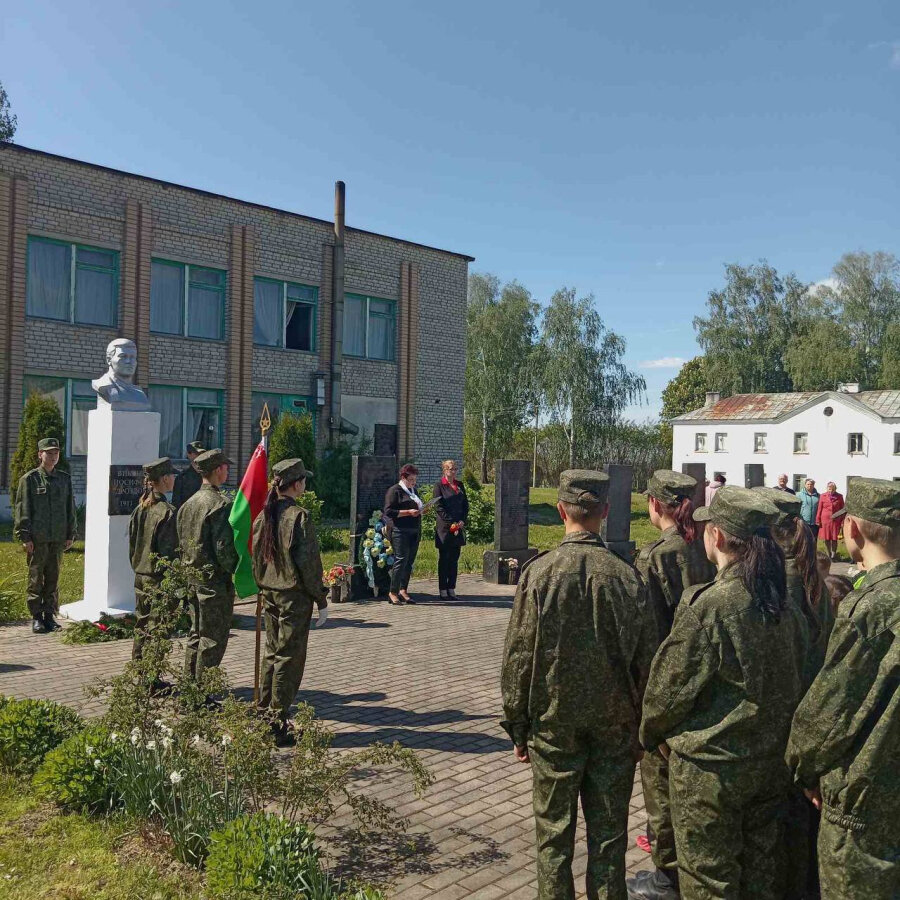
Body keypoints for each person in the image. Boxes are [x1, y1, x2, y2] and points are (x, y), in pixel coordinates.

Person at [639, 486, 810, 900]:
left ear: (716, 536)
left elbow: (666, 694)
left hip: (711, 777)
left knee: (710, 884)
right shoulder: (785, 603)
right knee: (759, 881)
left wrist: (653, 736)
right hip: (769, 768)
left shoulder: (712, 605)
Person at [501, 470, 657, 900]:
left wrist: (517, 725)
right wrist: (644, 727)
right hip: (615, 726)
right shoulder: (626, 577)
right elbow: (648, 663)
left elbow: (518, 657)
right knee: (609, 837)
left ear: (560, 512)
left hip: (554, 724)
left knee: (553, 837)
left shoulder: (539, 574)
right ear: (604, 513)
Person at [786, 478, 900, 899]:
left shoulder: (869, 605)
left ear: (851, 529)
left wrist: (804, 768)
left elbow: (828, 710)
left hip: (864, 803)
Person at [628, 471, 715, 900]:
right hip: (706, 680)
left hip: (666, 683)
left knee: (661, 784)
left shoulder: (656, 556)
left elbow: (647, 639)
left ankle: (667, 877)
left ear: (654, 504)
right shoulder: (703, 547)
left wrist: (646, 707)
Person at [753, 486, 835, 899]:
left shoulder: (774, 585)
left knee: (776, 838)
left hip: (779, 728)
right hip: (811, 724)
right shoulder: (812, 576)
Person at [252, 458, 329, 747]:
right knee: (289, 657)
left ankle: (264, 713)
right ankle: (276, 721)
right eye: (304, 480)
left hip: (270, 592)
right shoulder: (298, 516)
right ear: (296, 484)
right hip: (293, 597)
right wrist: (320, 597)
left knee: (272, 653)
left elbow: (256, 556)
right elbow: (309, 564)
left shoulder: (265, 514)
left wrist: (262, 584)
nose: (305, 485)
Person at [178, 448, 239, 683]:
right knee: (212, 638)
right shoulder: (220, 504)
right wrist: (238, 570)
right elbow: (223, 549)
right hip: (213, 581)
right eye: (225, 467)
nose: (227, 471)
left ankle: (189, 686)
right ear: (217, 470)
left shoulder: (188, 504)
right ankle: (201, 694)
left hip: (192, 578)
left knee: (196, 634)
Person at [13, 437, 77, 634]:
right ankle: (37, 617)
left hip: (57, 537)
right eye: (48, 453)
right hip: (38, 539)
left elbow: (70, 508)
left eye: (56, 452)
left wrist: (70, 533)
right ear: (40, 454)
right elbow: (23, 509)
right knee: (35, 578)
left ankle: (50, 616)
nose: (53, 456)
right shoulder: (29, 479)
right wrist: (25, 537)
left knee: (53, 578)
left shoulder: (64, 479)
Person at [128, 458, 178, 662]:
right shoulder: (167, 512)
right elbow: (170, 553)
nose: (174, 479)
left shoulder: (140, 508)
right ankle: (151, 678)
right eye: (172, 475)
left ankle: (139, 668)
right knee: (158, 628)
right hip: (158, 579)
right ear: (165, 479)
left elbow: (133, 544)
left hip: (141, 574)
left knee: (142, 624)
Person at [384, 463, 423, 605]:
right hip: (400, 531)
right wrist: (407, 512)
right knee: (400, 560)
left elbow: (417, 507)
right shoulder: (395, 490)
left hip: (414, 530)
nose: (414, 482)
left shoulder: (414, 491)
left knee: (409, 562)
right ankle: (392, 592)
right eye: (411, 479)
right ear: (403, 477)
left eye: (415, 480)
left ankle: (403, 589)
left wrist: (422, 510)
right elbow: (388, 511)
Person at [433, 459, 469, 599]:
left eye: (455, 469)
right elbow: (439, 507)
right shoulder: (439, 486)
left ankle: (451, 588)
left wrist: (462, 521)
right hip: (445, 528)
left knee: (454, 559)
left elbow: (465, 505)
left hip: (458, 527)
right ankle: (442, 589)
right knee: (445, 559)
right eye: (450, 469)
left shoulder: (460, 485)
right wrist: (451, 521)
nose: (453, 471)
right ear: (444, 470)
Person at [816, 482, 845, 560]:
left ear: (835, 488)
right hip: (825, 520)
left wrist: (842, 520)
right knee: (827, 538)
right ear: (827, 488)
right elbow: (819, 508)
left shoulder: (840, 496)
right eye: (829, 488)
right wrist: (818, 519)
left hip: (836, 520)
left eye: (832, 488)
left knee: (834, 538)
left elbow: (843, 509)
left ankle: (833, 555)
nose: (830, 490)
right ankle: (828, 554)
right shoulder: (822, 496)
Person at [172, 441, 205, 509]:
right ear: (189, 455)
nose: (200, 456)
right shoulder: (182, 478)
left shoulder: (208, 475)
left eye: (202, 453)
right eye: (197, 453)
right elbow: (176, 504)